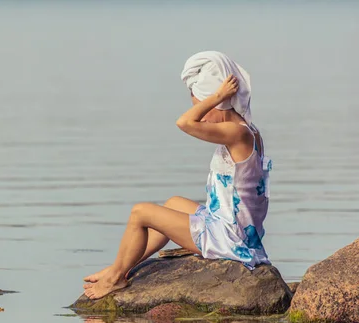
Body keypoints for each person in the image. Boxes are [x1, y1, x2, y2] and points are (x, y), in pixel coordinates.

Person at [83, 51, 272, 300]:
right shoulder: (247, 131)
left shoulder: (238, 133)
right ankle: (121, 265)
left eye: (204, 109)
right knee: (173, 203)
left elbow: (184, 123)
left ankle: (115, 278)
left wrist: (216, 96)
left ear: (220, 102)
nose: (202, 117)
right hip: (227, 227)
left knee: (140, 212)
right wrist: (214, 99)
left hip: (229, 240)